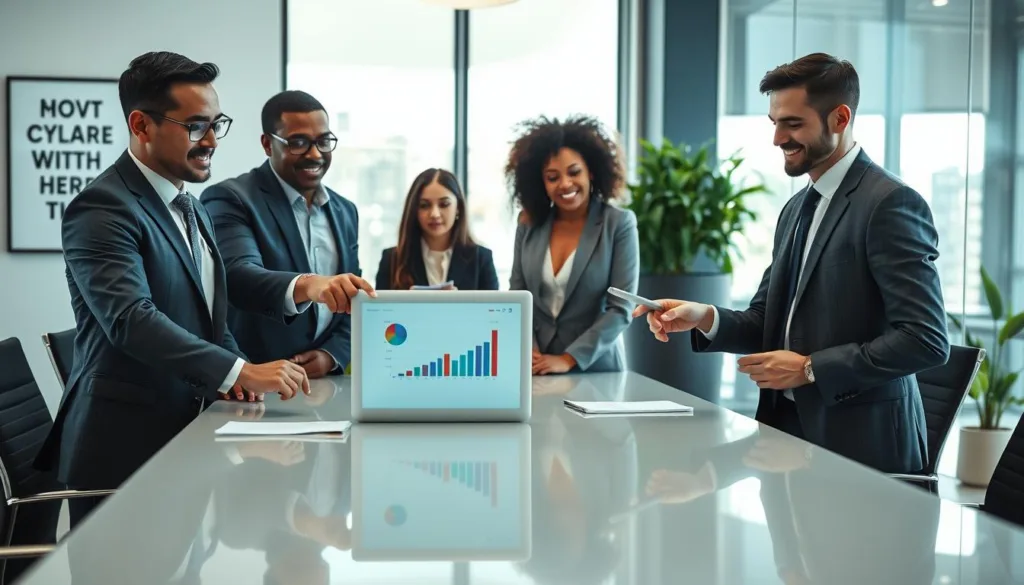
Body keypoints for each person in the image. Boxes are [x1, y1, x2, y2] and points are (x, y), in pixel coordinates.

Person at [34, 52, 371, 528]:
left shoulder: (190, 205)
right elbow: (132, 320)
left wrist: (239, 375)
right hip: (125, 454)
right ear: (141, 125)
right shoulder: (102, 208)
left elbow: (214, 313)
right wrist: (240, 370)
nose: (211, 141)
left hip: (187, 436)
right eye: (196, 126)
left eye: (216, 125)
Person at [634, 52, 949, 474]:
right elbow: (770, 319)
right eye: (775, 123)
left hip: (861, 449)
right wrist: (705, 317)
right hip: (783, 436)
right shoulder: (797, 208)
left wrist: (809, 369)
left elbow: (925, 338)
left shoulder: (890, 204)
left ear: (840, 118)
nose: (778, 138)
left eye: (793, 123)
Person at [201, 90, 365, 379]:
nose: (315, 154)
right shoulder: (230, 198)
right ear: (267, 144)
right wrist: (311, 285)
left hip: (324, 385)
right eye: (298, 142)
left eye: (323, 141)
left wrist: (331, 355)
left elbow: (352, 299)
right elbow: (237, 276)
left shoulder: (345, 211)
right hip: (254, 381)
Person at [507, 115, 639, 375]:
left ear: (591, 171)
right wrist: (532, 353)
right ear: (541, 182)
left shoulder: (619, 223)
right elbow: (518, 295)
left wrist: (568, 359)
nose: (565, 184)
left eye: (574, 172)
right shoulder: (528, 223)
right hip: (537, 367)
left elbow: (620, 309)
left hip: (597, 370)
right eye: (552, 177)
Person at [375, 168, 499, 291]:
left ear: (458, 208)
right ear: (414, 210)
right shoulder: (392, 259)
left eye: (444, 204)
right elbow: (378, 310)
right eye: (424, 205)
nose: (434, 214)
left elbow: (493, 309)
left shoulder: (481, 258)